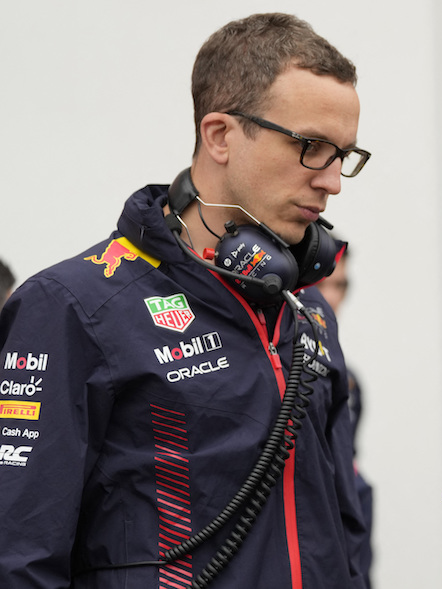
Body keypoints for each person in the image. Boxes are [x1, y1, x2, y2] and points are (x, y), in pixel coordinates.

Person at [0, 13, 370, 589]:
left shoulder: (309, 314)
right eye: (311, 147)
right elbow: (18, 558)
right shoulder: (72, 307)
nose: (333, 181)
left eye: (343, 155)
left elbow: (345, 532)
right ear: (220, 135)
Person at [317, 246, 374, 588]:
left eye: (341, 286)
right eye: (323, 285)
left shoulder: (349, 382)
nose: (331, 298)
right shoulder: (272, 375)